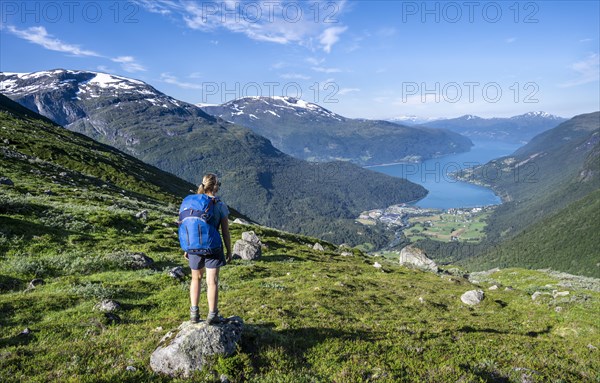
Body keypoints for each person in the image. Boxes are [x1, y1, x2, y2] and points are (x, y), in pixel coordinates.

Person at [185, 173, 232, 324]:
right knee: (212, 282)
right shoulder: (219, 205)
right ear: (216, 186)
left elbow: (189, 225)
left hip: (193, 247)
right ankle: (212, 315)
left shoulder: (192, 202)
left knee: (195, 278)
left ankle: (194, 314)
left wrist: (187, 247)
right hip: (213, 247)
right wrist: (229, 250)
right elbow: (225, 232)